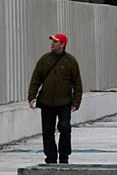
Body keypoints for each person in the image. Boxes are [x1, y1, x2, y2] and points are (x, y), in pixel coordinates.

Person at [28, 33, 83, 164]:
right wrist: (31, 96)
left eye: (56, 41)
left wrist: (76, 102)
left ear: (63, 45)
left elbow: (77, 83)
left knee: (65, 128)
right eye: (52, 41)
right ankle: (51, 158)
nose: (52, 43)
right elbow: (36, 79)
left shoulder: (70, 61)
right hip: (46, 103)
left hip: (64, 103)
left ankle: (64, 156)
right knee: (48, 131)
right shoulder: (45, 59)